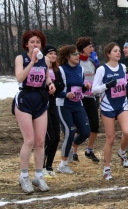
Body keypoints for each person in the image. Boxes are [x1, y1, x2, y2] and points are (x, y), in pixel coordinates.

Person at [13, 30, 55, 193]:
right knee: (29, 140)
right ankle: (24, 176)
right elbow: (19, 77)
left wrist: (50, 84)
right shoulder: (20, 58)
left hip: (40, 99)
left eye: (38, 42)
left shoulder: (45, 59)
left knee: (40, 141)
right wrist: (31, 62)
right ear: (26, 44)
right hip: (25, 99)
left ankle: (38, 176)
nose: (35, 45)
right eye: (32, 42)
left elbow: (46, 77)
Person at [92, 42, 128, 180]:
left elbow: (123, 82)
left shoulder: (122, 67)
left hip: (122, 103)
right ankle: (107, 168)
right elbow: (93, 89)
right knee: (111, 138)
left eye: (119, 50)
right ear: (108, 54)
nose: (118, 53)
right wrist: (107, 85)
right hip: (108, 105)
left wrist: (127, 85)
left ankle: (121, 152)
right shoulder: (102, 69)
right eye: (115, 51)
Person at [56, 45, 91, 174]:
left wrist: (85, 87)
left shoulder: (80, 69)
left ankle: (71, 146)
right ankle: (63, 164)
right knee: (69, 133)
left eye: (77, 54)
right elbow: (55, 90)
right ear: (67, 57)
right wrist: (65, 94)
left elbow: (80, 88)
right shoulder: (60, 70)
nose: (77, 56)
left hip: (78, 104)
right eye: (74, 54)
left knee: (86, 132)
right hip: (64, 105)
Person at [73, 37, 100, 163]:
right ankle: (73, 152)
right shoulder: (76, 62)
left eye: (92, 46)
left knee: (94, 125)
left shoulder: (92, 62)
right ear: (82, 48)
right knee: (79, 127)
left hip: (91, 97)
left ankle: (89, 150)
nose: (92, 49)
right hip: (79, 98)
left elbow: (96, 79)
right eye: (89, 46)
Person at [42, 45, 64, 178]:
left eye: (55, 54)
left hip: (53, 105)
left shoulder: (56, 70)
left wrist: (55, 87)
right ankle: (42, 166)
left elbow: (61, 86)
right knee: (49, 137)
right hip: (43, 105)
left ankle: (49, 166)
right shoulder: (41, 69)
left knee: (56, 137)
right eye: (50, 54)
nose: (53, 56)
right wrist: (47, 88)